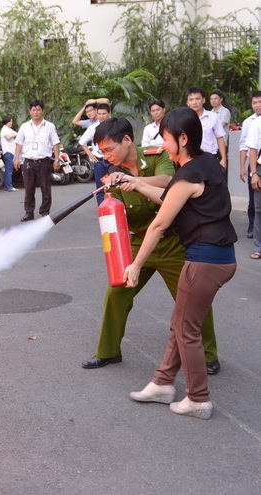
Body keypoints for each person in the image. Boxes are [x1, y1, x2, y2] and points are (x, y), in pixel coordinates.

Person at [81, 117, 220, 376]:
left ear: (127, 140)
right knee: (116, 292)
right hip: (138, 242)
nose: (106, 155)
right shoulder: (112, 176)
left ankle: (209, 354)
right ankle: (108, 351)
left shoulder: (156, 155)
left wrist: (136, 183)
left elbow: (170, 180)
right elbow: (115, 217)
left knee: (193, 298)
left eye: (109, 149)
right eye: (102, 151)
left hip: (172, 243)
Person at [122, 107, 237, 420]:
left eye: (166, 138)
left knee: (186, 330)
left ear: (183, 139)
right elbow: (171, 197)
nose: (162, 143)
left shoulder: (188, 174)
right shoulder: (206, 164)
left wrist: (135, 265)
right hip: (220, 258)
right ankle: (161, 383)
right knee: (182, 322)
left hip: (204, 260)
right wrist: (139, 185)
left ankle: (198, 399)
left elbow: (160, 224)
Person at [14, 99, 61, 222]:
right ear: (30, 111)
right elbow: (19, 143)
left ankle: (45, 212)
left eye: (38, 110)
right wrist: (16, 158)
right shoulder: (24, 127)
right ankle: (29, 213)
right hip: (28, 162)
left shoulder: (49, 126)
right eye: (33, 110)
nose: (36, 112)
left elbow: (55, 144)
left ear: (43, 111)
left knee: (46, 188)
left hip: (44, 161)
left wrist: (57, 159)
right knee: (29, 189)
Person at [238, 91, 261, 239]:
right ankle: (252, 226)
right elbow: (244, 147)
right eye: (255, 103)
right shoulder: (249, 122)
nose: (257, 105)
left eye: (260, 102)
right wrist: (242, 167)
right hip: (254, 165)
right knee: (254, 199)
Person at [78, 102, 111, 204]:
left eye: (104, 114)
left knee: (115, 186)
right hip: (99, 162)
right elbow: (82, 142)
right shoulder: (93, 128)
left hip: (113, 161)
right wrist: (90, 154)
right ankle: (103, 212)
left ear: (109, 114)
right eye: (99, 114)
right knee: (100, 189)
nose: (101, 116)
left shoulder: (114, 126)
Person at [186, 87, 226, 169]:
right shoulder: (184, 119)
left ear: (203, 100)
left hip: (209, 158)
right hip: (190, 159)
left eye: (197, 99)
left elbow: (220, 138)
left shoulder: (213, 117)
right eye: (191, 99)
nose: (194, 102)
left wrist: (223, 159)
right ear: (187, 103)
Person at [244, 104, 261, 260]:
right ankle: (259, 247)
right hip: (260, 170)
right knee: (259, 210)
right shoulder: (258, 123)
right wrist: (254, 173)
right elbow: (253, 150)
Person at [0, 115, 19, 192]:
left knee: (10, 169)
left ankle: (6, 185)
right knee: (9, 170)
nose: (11, 123)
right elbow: (8, 137)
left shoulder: (9, 129)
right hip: (8, 152)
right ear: (7, 122)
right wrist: (16, 134)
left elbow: (18, 133)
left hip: (11, 152)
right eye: (10, 121)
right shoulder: (4, 129)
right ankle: (9, 186)